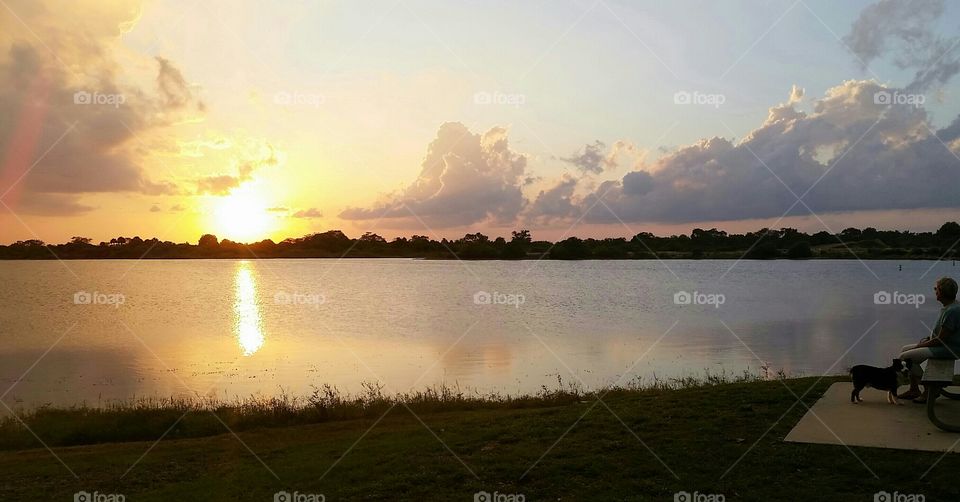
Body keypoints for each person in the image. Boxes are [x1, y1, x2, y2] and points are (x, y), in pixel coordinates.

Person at [898, 277, 960, 402]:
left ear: (941, 292)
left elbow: (940, 340)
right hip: (943, 345)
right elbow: (942, 334)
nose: (935, 290)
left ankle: (930, 389)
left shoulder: (952, 311)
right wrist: (928, 339)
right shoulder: (951, 306)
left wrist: (920, 345)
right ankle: (914, 389)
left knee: (904, 357)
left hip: (948, 349)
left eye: (936, 288)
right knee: (905, 350)